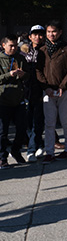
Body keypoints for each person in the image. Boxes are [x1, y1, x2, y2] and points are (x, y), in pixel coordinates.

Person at [36, 21, 67, 163]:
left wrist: (63, 85)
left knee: (66, 121)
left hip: (65, 91)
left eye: (53, 31)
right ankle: (49, 152)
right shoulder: (42, 50)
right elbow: (38, 70)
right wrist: (45, 87)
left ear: (60, 32)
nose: (51, 34)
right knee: (49, 123)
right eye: (48, 32)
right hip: (48, 91)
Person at [0, 35, 29, 168]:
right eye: (10, 46)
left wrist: (24, 75)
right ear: (3, 45)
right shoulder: (1, 60)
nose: (13, 48)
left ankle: (16, 151)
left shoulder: (20, 58)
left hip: (19, 99)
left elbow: (29, 75)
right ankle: (2, 157)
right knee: (2, 132)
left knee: (22, 128)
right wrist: (9, 74)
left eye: (15, 46)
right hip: (3, 100)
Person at [24, 24, 46, 161]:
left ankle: (32, 149)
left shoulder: (46, 50)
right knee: (27, 121)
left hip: (40, 89)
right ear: (30, 36)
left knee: (38, 120)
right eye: (35, 35)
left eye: (40, 34)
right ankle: (38, 144)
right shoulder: (24, 51)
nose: (38, 37)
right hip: (26, 90)